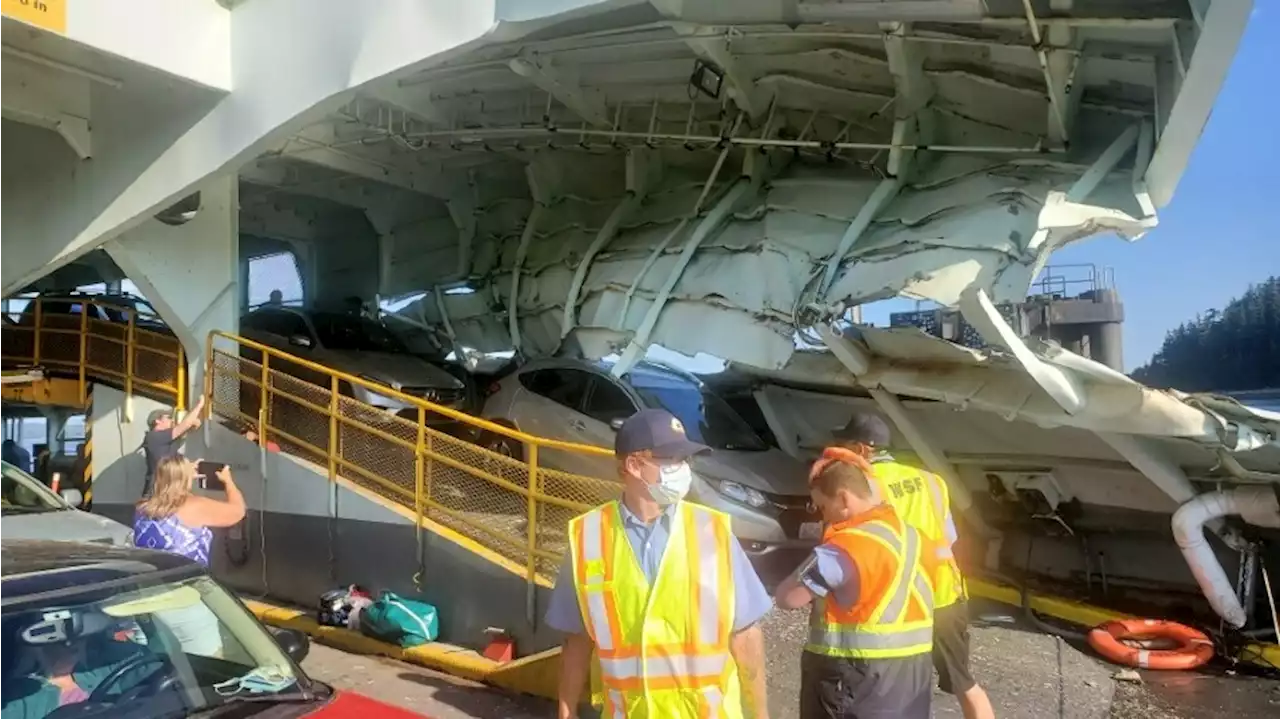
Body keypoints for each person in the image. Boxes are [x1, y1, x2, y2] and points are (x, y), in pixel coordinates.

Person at [545, 408, 772, 719]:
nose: (684, 469)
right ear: (635, 466)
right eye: (673, 460)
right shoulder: (587, 538)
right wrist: (566, 713)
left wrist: (760, 715)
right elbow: (576, 642)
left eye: (685, 460)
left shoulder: (713, 531)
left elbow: (745, 635)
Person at [833, 414, 995, 719]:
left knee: (889, 689)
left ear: (862, 449)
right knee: (963, 682)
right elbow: (950, 536)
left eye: (845, 446)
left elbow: (860, 547)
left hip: (898, 605)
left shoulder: (865, 486)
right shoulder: (933, 480)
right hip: (945, 595)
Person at [775, 447, 937, 719]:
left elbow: (788, 598)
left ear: (843, 498)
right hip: (912, 676)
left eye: (823, 507)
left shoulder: (844, 548)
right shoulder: (915, 539)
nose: (824, 517)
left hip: (853, 679)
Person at [132, 455, 245, 656]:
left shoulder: (142, 509)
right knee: (207, 663)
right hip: (186, 598)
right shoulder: (195, 506)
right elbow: (237, 512)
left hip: (149, 599)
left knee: (157, 661)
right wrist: (228, 481)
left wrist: (183, 469)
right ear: (185, 477)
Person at [0, 612, 155, 717]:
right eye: (57, 638)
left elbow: (166, 676)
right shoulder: (19, 699)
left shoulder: (110, 664)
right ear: (34, 644)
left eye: (77, 636)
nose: (70, 643)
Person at [142, 394, 205, 497]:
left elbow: (183, 430)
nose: (172, 420)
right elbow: (184, 426)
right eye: (168, 417)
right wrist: (199, 405)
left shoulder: (165, 441)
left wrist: (190, 467)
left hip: (167, 492)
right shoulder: (153, 436)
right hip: (156, 494)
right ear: (157, 421)